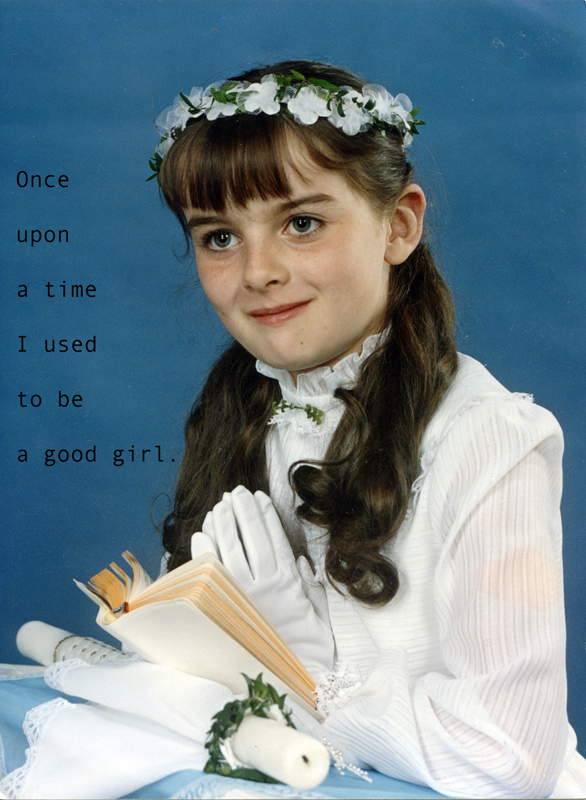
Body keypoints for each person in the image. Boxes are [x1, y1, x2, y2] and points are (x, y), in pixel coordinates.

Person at [2, 59, 585, 800]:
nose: (258, 271)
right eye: (218, 237)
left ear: (398, 225)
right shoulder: (246, 412)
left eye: (301, 223)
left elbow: (508, 760)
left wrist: (302, 656)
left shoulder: (489, 439)